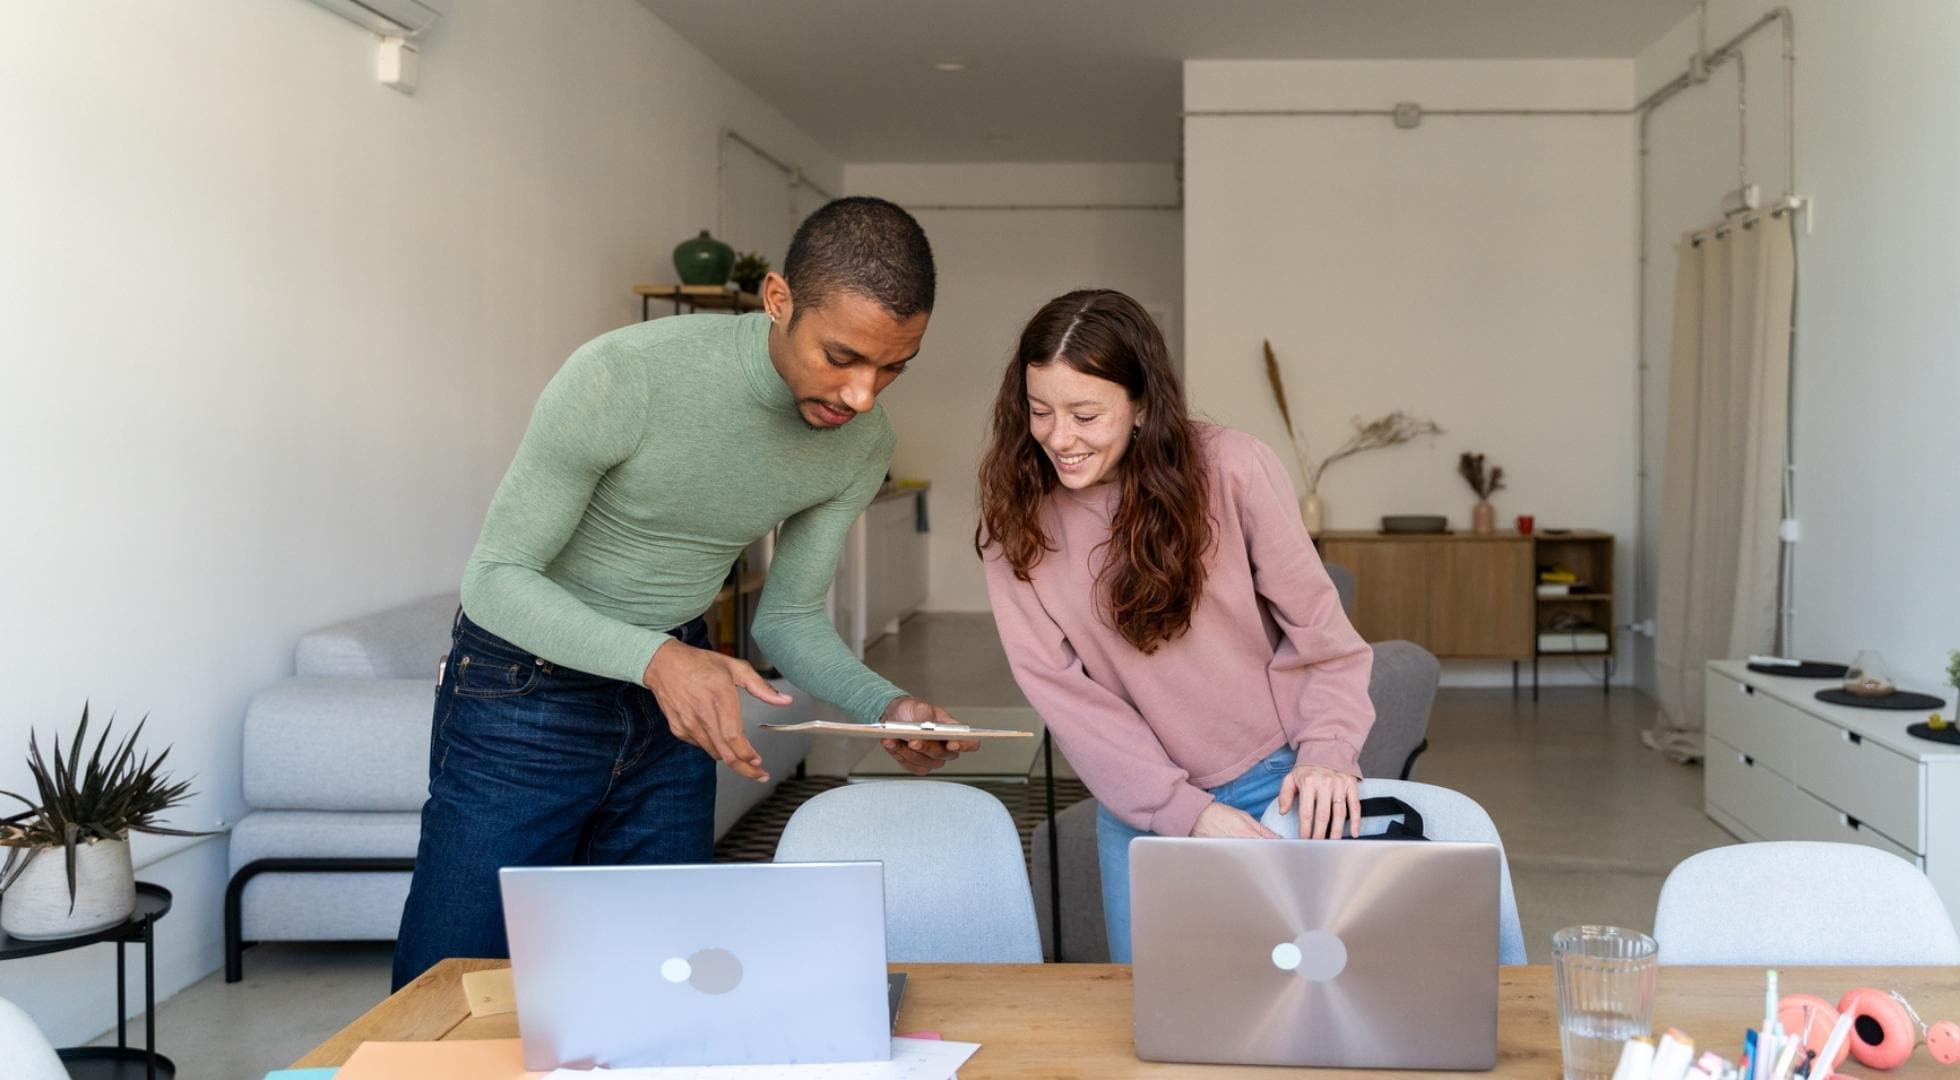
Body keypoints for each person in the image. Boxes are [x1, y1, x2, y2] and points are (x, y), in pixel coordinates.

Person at [393, 197, 979, 989]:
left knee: (658, 984)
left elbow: (789, 618)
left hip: (673, 710)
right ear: (778, 300)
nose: (862, 395)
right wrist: (660, 660)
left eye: (893, 367)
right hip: (523, 695)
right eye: (841, 357)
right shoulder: (622, 377)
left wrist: (888, 705)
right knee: (449, 989)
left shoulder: (861, 443)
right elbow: (496, 580)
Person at [976, 288, 1376, 961]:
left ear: (1141, 405)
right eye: (1039, 411)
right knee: (1158, 1006)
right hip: (1144, 802)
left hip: (1278, 778)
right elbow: (1066, 696)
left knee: (1297, 994)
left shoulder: (1234, 468)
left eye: (1085, 415)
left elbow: (1323, 638)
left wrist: (1329, 753)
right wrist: (1185, 811)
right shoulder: (1016, 518)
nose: (1059, 438)